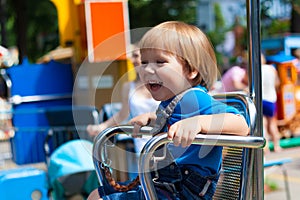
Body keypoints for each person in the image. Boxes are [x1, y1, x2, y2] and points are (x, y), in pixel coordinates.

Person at [89, 21, 249, 200]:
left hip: (182, 191)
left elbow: (242, 124)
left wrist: (199, 123)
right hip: (164, 186)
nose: (148, 69)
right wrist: (153, 118)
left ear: (191, 70)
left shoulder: (196, 98)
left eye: (160, 62)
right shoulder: (170, 102)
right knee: (97, 195)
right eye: (144, 62)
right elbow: (176, 119)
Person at [86, 44, 160, 137]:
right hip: (140, 142)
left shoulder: (161, 83)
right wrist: (102, 127)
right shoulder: (128, 87)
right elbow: (122, 115)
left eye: (136, 56)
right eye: (132, 56)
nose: (132, 60)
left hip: (160, 140)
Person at [261, 54, 282, 153]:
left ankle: (266, 147)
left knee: (263, 124)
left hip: (261, 99)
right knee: (272, 123)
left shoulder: (256, 70)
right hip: (271, 98)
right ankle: (277, 146)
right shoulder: (272, 69)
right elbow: (277, 83)